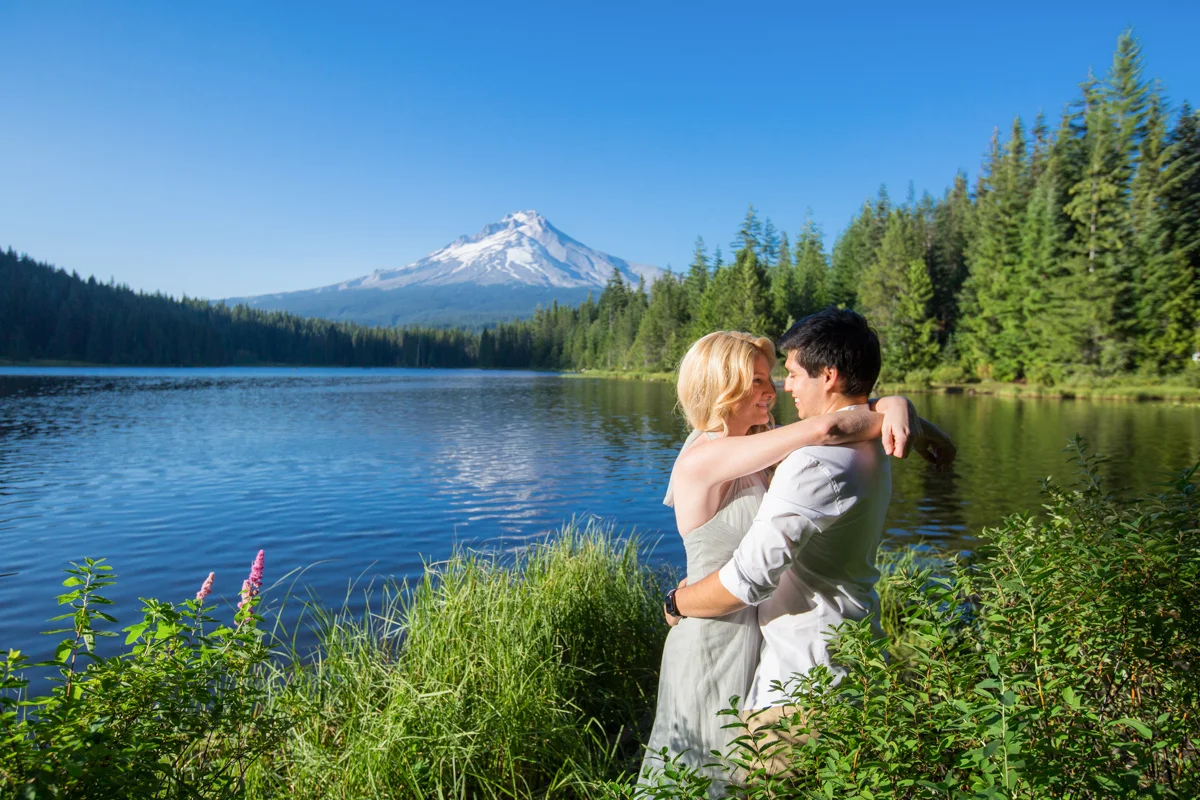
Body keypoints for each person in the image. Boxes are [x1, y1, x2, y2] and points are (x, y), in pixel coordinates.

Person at [641, 326, 952, 793]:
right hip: (714, 632)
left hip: (760, 643)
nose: (775, 390)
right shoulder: (703, 459)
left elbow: (833, 427)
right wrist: (897, 410)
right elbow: (829, 427)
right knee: (697, 776)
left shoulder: (765, 452)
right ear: (721, 386)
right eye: (758, 381)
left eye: (774, 377)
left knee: (734, 776)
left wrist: (894, 406)